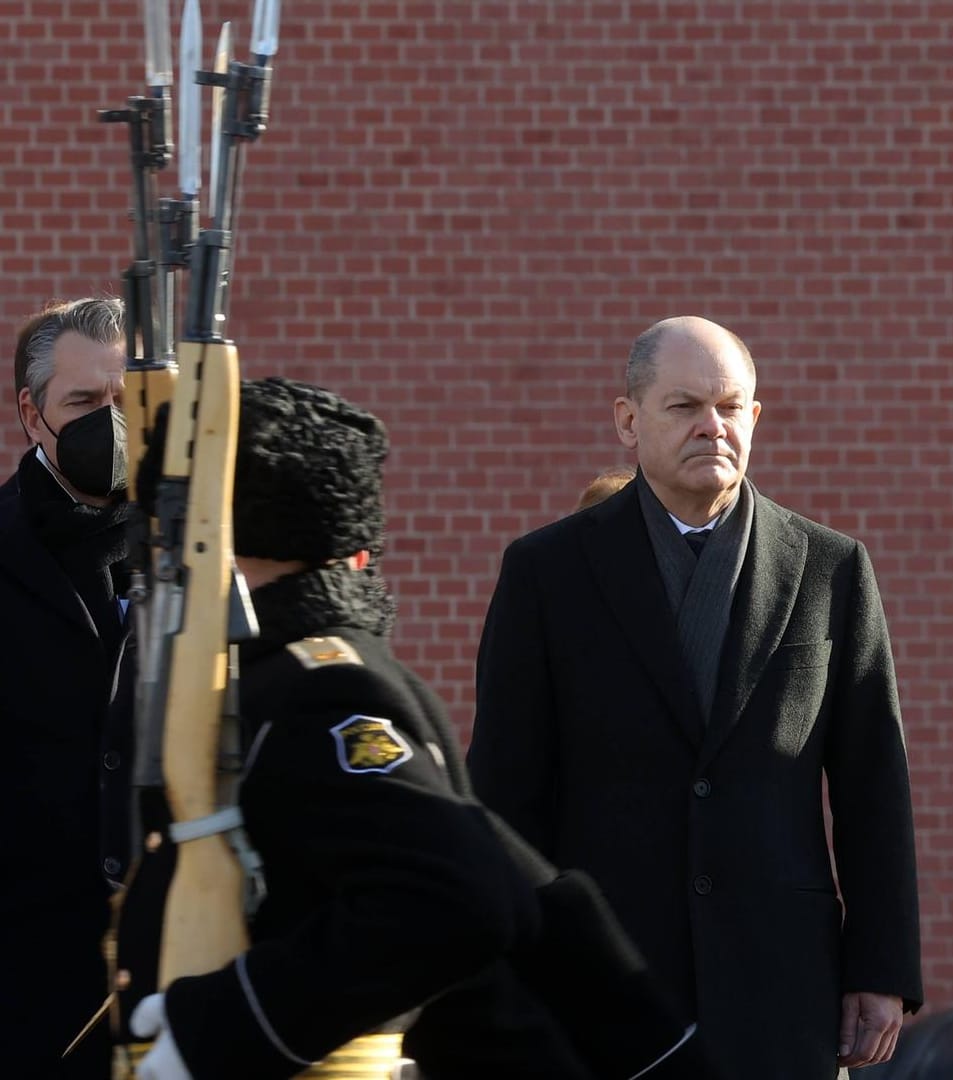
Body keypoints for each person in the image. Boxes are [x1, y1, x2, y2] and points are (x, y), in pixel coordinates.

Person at [119, 377, 710, 1079]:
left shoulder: (326, 689)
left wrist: (235, 1021)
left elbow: (450, 899)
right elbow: (531, 903)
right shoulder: (302, 675)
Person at [469, 314, 925, 1080]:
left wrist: (881, 969)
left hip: (780, 980)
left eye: (729, 406)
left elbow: (873, 784)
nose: (711, 427)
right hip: (607, 977)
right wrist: (514, 967)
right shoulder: (548, 573)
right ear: (628, 420)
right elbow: (507, 793)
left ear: (754, 417)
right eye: (683, 407)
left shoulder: (830, 568)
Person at [2, 296, 136, 1079]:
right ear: (32, 412)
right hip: (27, 989)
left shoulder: (203, 555)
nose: (109, 425)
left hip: (172, 989)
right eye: (84, 403)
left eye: (126, 402)